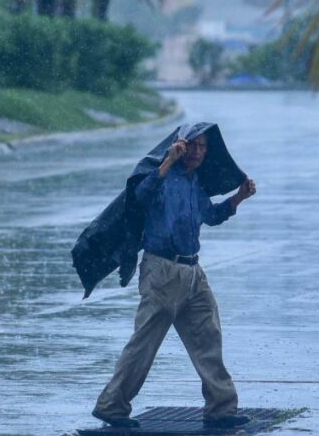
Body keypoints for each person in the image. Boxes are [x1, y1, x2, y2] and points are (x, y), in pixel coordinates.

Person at [92, 129, 256, 430]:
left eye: (202, 147)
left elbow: (210, 215)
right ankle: (112, 407)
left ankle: (221, 408)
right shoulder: (162, 177)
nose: (196, 152)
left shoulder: (196, 183)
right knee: (144, 343)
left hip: (193, 272)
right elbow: (139, 198)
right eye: (191, 146)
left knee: (209, 338)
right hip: (162, 272)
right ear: (179, 148)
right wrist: (167, 163)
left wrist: (238, 199)